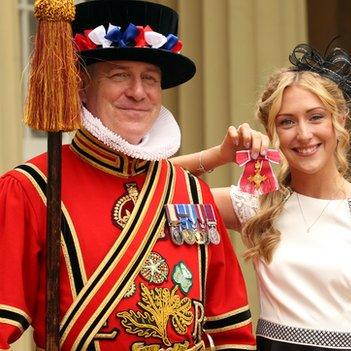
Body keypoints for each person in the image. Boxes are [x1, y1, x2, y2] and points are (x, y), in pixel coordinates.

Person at [0, 1, 255, 350]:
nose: (138, 92)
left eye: (149, 78)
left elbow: (233, 335)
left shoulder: (192, 193)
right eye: (119, 75)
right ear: (81, 87)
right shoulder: (30, 189)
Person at [172, 44, 351, 351]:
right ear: (271, 131)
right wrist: (219, 155)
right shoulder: (257, 203)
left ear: (340, 120)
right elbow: (155, 188)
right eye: (287, 121)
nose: (303, 134)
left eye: (315, 117)